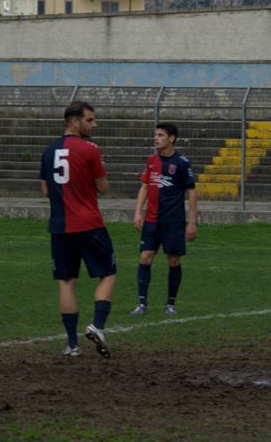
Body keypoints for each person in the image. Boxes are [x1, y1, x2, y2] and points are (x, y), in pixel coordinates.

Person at [39, 101, 116, 358]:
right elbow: (103, 188)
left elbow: (45, 190)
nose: (95, 124)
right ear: (75, 121)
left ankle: (72, 345)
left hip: (60, 227)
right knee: (108, 273)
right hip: (89, 224)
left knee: (66, 282)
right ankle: (98, 325)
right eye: (90, 120)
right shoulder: (90, 149)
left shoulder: (49, 151)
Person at [130, 122, 197, 316]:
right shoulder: (151, 160)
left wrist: (191, 222)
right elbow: (144, 186)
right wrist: (137, 212)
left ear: (171, 138)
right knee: (145, 257)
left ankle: (170, 304)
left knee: (173, 260)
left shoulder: (183, 162)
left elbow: (191, 191)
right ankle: (142, 304)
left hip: (173, 221)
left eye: (160, 135)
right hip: (151, 220)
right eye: (156, 135)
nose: (156, 138)